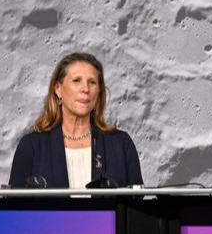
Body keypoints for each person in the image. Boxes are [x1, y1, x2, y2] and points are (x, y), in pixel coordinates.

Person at [9, 52, 143, 188]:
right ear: (58, 89)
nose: (85, 89)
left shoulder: (121, 144)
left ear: (99, 92)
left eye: (92, 82)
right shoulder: (31, 146)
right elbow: (13, 207)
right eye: (76, 80)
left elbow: (136, 206)